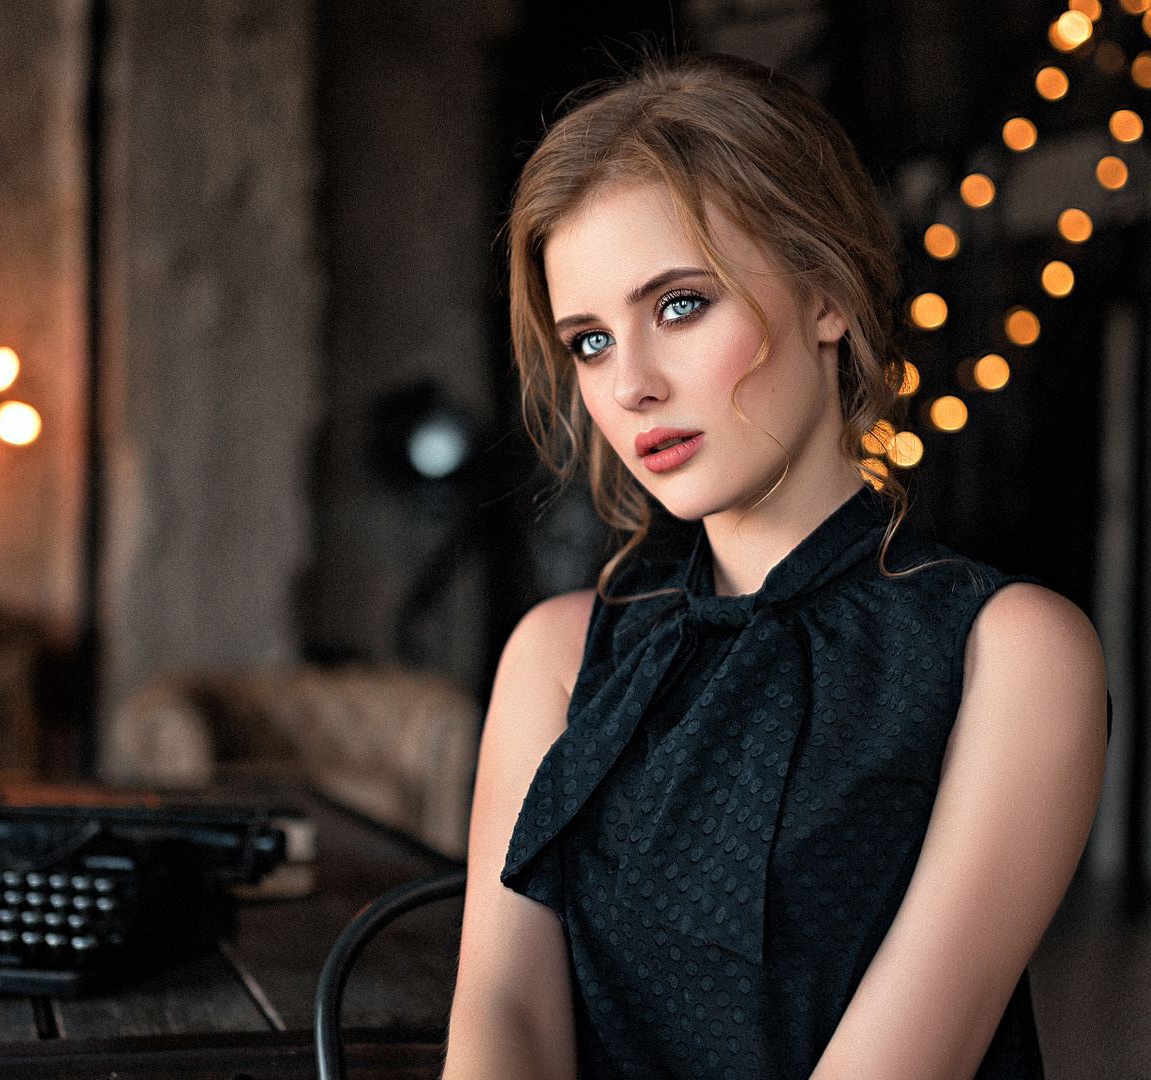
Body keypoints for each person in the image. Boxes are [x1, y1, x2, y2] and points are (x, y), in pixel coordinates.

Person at [444, 54, 1108, 1080]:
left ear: (825, 294)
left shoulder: (1010, 651)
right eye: (588, 342)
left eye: (678, 306)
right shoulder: (557, 655)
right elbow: (503, 1021)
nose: (629, 387)